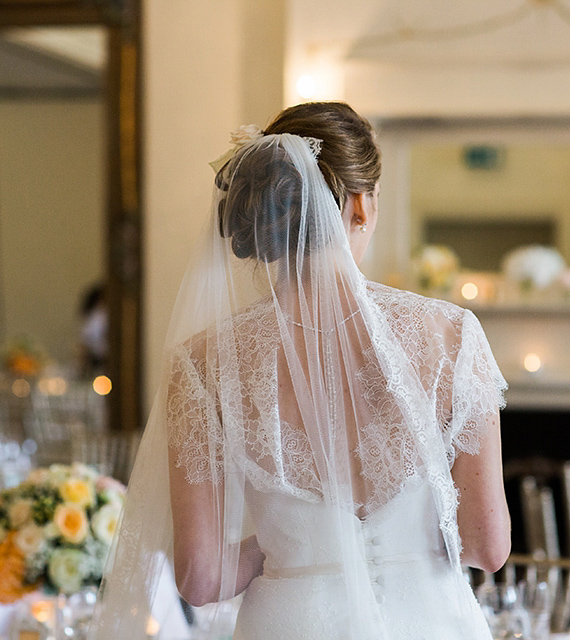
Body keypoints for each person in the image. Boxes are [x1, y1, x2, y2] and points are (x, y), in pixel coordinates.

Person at [90, 102, 511, 639]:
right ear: (361, 204)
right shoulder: (452, 333)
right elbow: (486, 546)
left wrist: (283, 547)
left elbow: (199, 579)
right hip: (429, 620)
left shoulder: (202, 363)